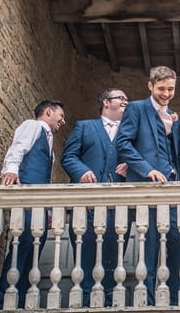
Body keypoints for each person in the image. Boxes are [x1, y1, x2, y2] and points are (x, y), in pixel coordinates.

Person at [115, 66, 180, 306]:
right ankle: (147, 301)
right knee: (150, 247)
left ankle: (176, 299)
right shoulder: (136, 109)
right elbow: (122, 143)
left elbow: (176, 154)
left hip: (173, 190)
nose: (166, 93)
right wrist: (146, 169)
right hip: (147, 189)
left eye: (171, 89)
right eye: (161, 88)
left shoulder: (173, 115)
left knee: (177, 244)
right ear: (150, 86)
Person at [61, 88, 129, 306]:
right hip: (86, 204)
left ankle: (110, 300)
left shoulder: (130, 131)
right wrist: (81, 171)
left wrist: (131, 166)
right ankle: (83, 300)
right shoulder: (84, 126)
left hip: (118, 206)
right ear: (106, 102)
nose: (126, 102)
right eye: (121, 98)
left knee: (114, 256)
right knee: (84, 254)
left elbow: (140, 158)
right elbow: (68, 156)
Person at [0, 100, 66, 309]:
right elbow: (18, 148)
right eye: (60, 116)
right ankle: (3, 298)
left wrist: (50, 209)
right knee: (22, 243)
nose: (63, 121)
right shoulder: (33, 126)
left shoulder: (50, 141)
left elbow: (47, 179)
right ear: (48, 111)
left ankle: (22, 297)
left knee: (35, 248)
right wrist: (10, 170)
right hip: (27, 197)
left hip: (41, 204)